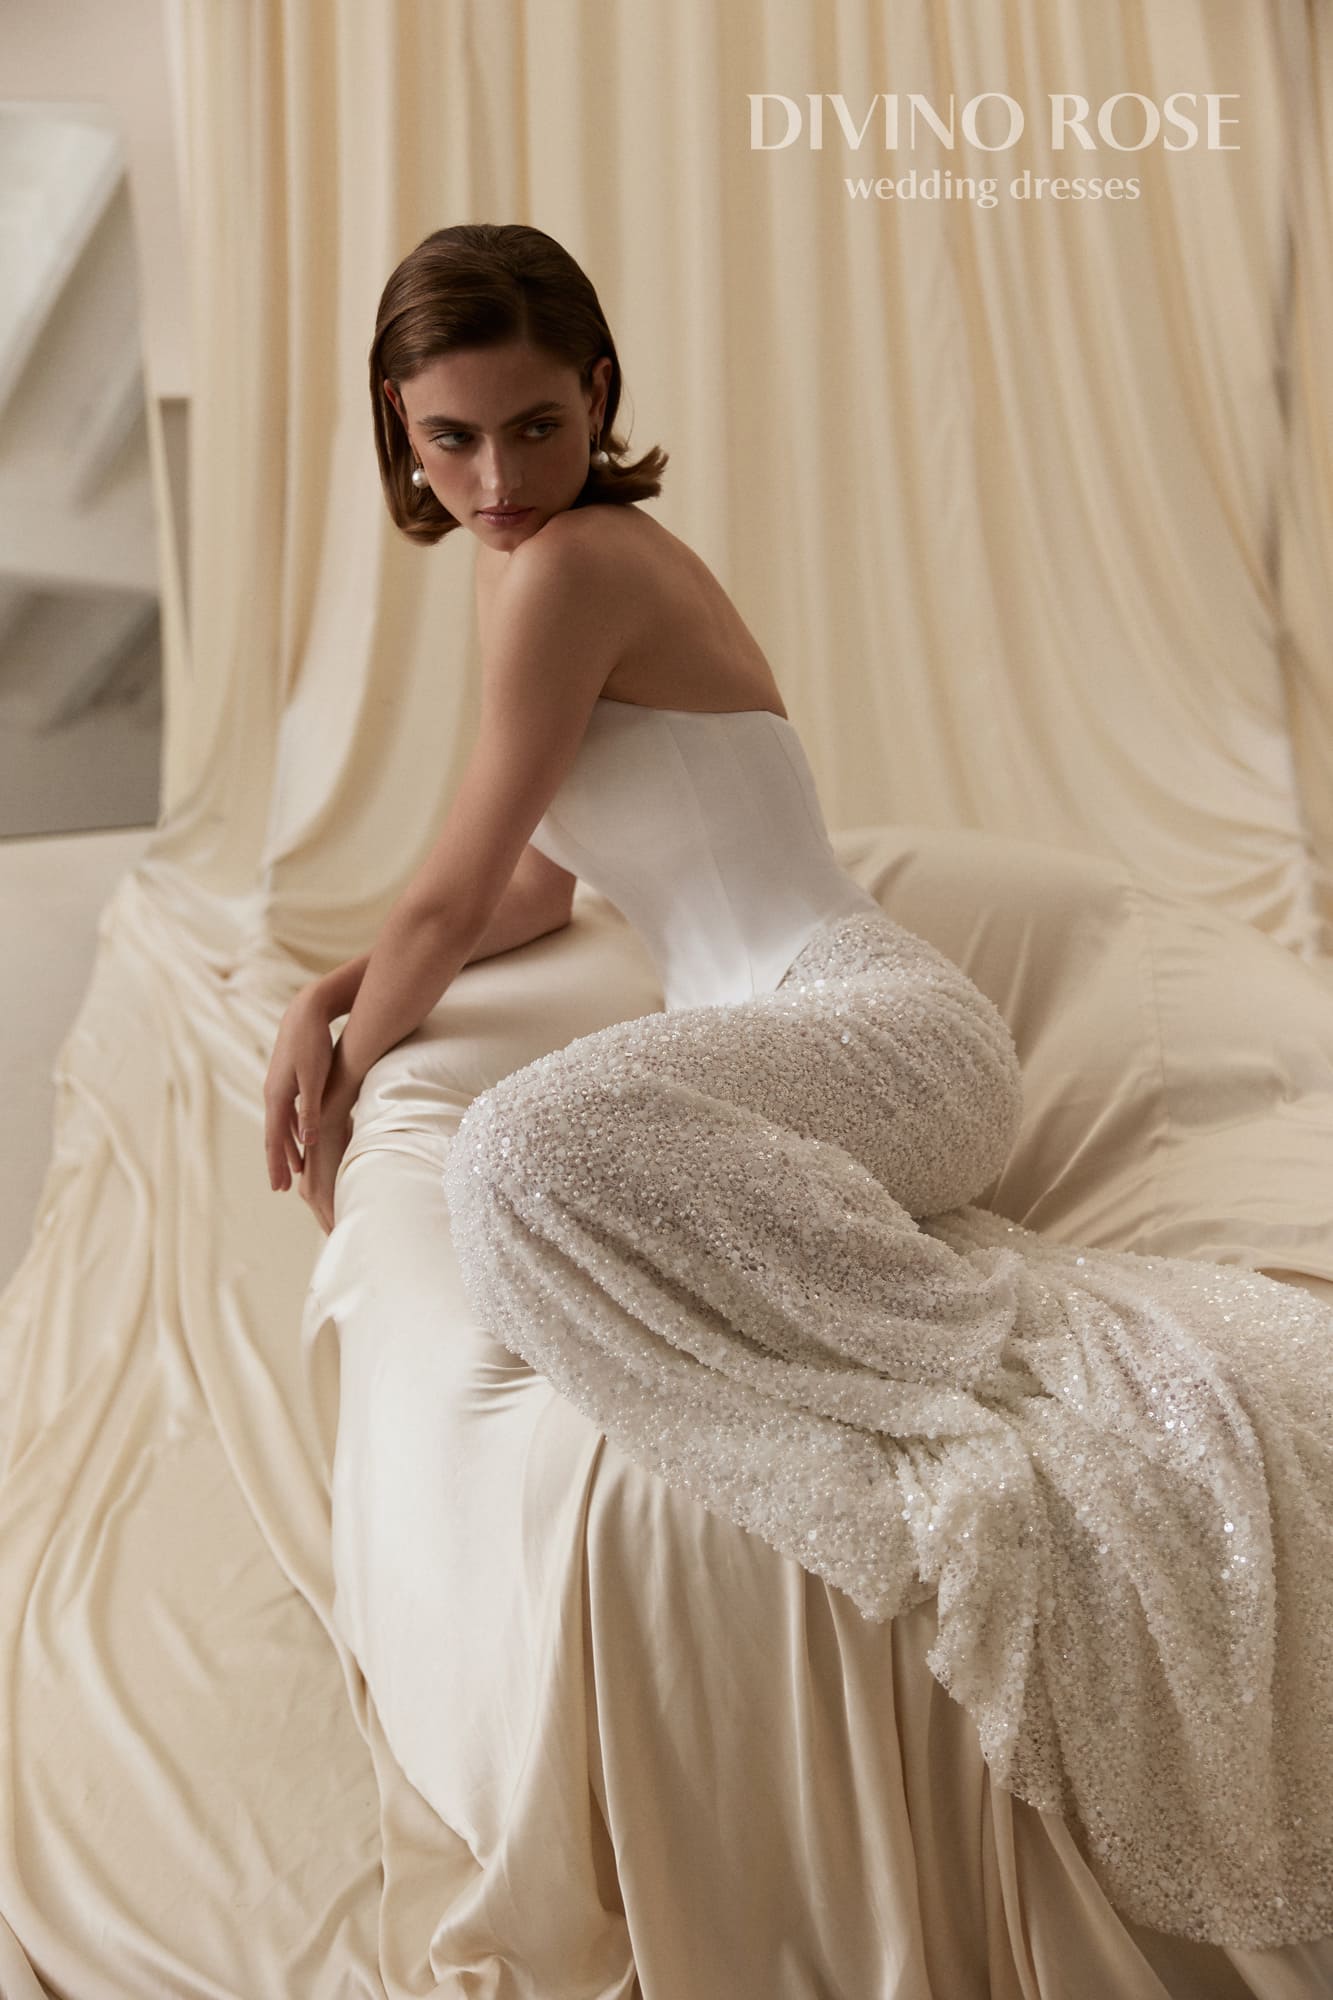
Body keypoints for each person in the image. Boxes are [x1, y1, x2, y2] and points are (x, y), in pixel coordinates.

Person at [262, 222, 1333, 1961]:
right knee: (535, 1154)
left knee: (522, 1145)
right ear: (397, 423)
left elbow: (454, 901)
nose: (497, 479)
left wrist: (341, 1054)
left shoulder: (577, 562)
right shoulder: (524, 565)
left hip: (876, 1029)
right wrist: (332, 987)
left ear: (597, 393)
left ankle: (998, 1396)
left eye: (535, 428)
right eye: (451, 438)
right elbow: (531, 885)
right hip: (811, 1070)